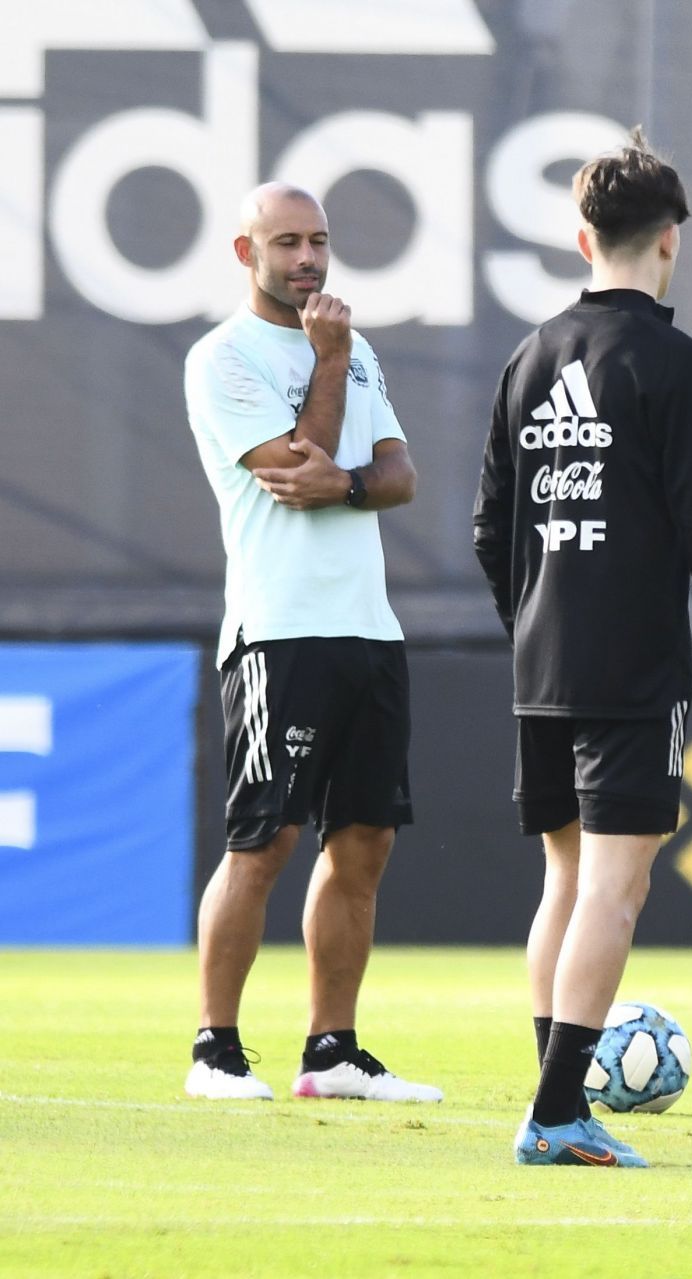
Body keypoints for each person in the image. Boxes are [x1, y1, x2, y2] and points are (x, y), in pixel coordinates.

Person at [474, 127, 692, 1168]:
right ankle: (558, 1112)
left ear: (579, 238)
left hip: (541, 668)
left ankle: (552, 1096)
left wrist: (531, 626)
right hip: (632, 670)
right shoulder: (673, 362)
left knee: (564, 882)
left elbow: (491, 530)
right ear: (673, 241)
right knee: (617, 887)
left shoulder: (528, 357)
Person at [181, 183, 439, 1103]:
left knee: (363, 840)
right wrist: (326, 365)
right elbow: (299, 464)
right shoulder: (222, 357)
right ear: (245, 252)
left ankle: (332, 1050)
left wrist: (350, 484)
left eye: (319, 241)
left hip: (367, 627)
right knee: (266, 838)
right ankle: (215, 1049)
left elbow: (399, 474)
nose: (308, 260)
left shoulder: (356, 349)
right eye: (286, 242)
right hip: (278, 629)